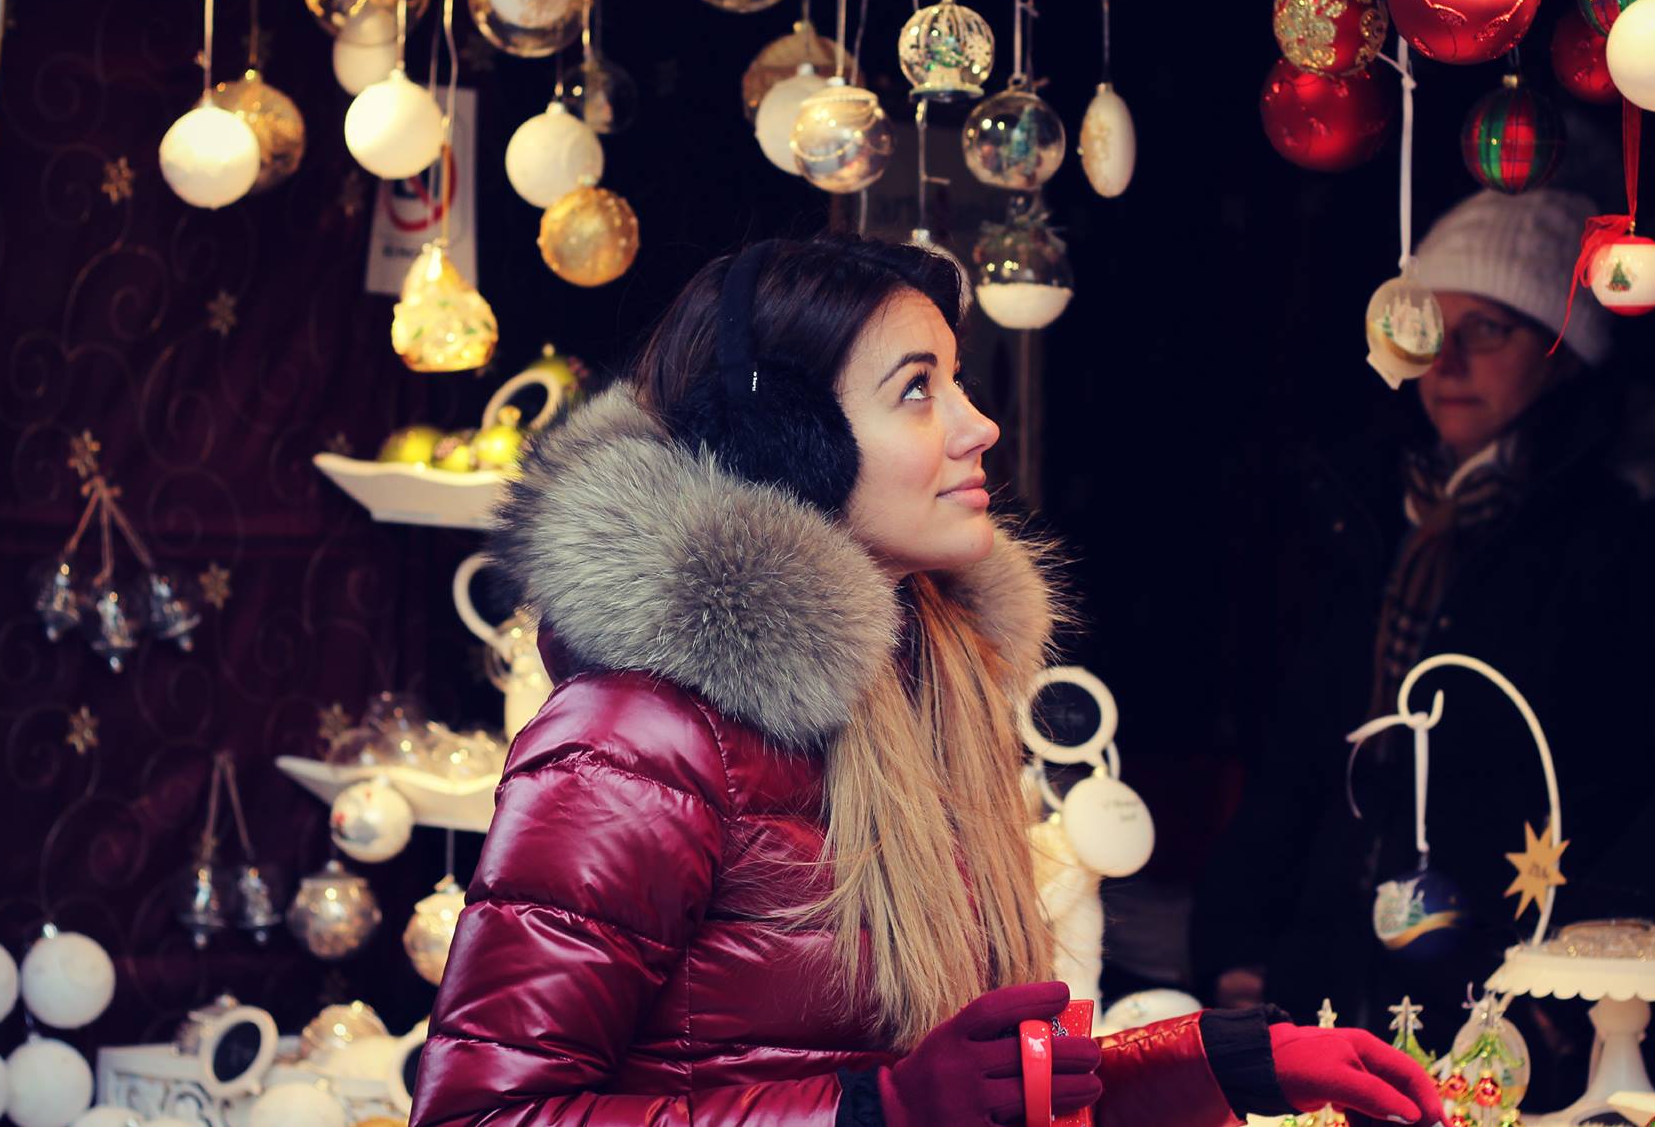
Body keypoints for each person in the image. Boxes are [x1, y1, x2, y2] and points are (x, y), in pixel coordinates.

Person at [408, 236, 1449, 1127]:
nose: (976, 425)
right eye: (917, 390)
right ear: (788, 447)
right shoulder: (634, 739)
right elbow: (480, 1114)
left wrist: (1219, 1061)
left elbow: (977, 1097)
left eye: (958, 381)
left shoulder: (931, 693)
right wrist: (876, 1113)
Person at [1191, 191, 1655, 1097]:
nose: (1447, 362)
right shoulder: (1378, 507)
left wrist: (1576, 986)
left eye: (1488, 330)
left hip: (1523, 1010)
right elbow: (1306, 753)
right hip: (1337, 992)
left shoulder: (1635, 526)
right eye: (1429, 330)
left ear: (1565, 349)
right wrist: (1239, 945)